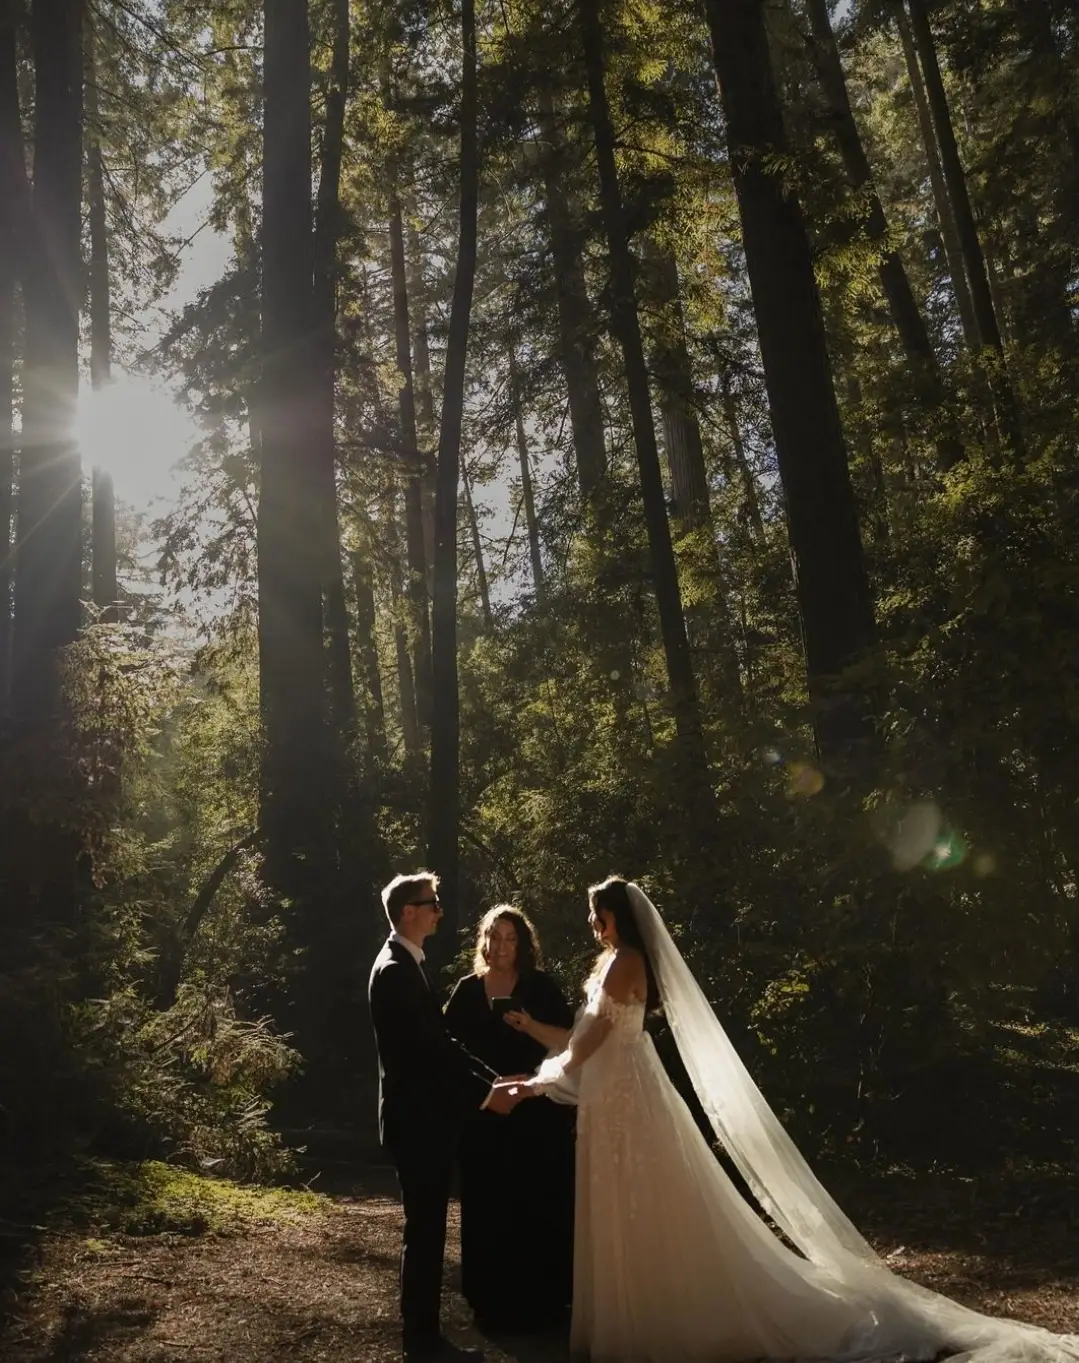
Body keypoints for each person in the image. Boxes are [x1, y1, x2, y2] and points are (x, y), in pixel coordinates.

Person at [497, 876, 1079, 1363]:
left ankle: (659, 1318)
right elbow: (581, 1036)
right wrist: (536, 1038)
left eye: (598, 916)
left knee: (648, 1199)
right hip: (615, 1091)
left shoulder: (626, 963)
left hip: (627, 1096)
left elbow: (590, 1043)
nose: (593, 925)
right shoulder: (610, 960)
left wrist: (536, 1083)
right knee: (629, 1198)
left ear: (619, 917)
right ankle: (635, 1313)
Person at [369, 871, 520, 1362]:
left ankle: (424, 1333)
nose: (438, 909)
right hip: (416, 1123)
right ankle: (421, 1338)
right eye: (430, 902)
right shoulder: (394, 970)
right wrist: (485, 1095)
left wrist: (491, 1079)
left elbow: (445, 1043)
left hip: (421, 1120)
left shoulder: (408, 964)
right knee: (426, 1228)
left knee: (430, 1227)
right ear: (407, 912)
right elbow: (428, 1053)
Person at [444, 905, 576, 1332]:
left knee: (538, 1200)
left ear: (522, 944)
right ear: (483, 941)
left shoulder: (540, 988)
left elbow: (571, 1043)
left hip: (536, 1112)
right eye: (494, 937)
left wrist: (530, 1027)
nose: (500, 946)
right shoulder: (466, 991)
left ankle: (543, 1302)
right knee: (487, 1202)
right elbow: (446, 1051)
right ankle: (490, 1302)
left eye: (509, 938)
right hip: (485, 1114)